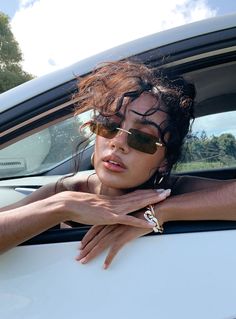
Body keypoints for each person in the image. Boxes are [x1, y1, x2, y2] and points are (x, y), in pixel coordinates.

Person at [0, 60, 235, 267]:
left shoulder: (171, 193)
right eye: (109, 126)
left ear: (164, 162)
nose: (118, 142)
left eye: (143, 138)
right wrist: (62, 206)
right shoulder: (66, 190)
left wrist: (159, 212)